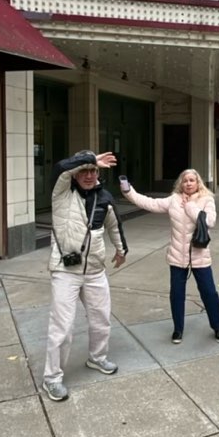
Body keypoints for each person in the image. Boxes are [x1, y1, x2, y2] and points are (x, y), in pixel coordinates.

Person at [42, 150, 128, 401]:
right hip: (65, 270)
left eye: (93, 171)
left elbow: (114, 225)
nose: (89, 175)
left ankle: (97, 357)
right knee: (62, 327)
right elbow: (61, 167)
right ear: (75, 174)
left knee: (101, 319)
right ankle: (52, 378)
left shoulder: (104, 198)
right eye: (84, 171)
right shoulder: (61, 193)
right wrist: (90, 158)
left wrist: (121, 250)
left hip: (94, 271)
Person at [119, 169, 219, 345]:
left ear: (198, 183)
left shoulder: (206, 199)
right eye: (185, 180)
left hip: (200, 255)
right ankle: (178, 329)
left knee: (209, 293)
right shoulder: (174, 199)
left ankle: (218, 327)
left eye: (192, 180)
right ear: (180, 183)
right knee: (176, 294)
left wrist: (190, 206)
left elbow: (209, 221)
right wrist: (128, 190)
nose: (188, 183)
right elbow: (149, 203)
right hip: (177, 256)